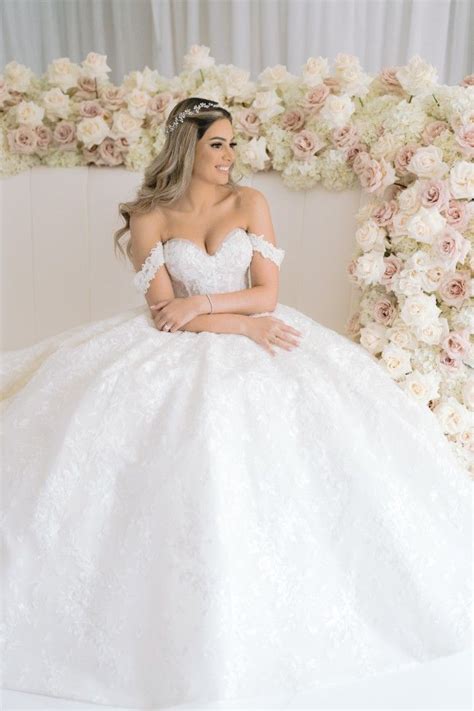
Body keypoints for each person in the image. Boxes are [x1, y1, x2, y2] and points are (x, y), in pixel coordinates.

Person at [1, 97, 471, 708]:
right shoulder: (150, 216)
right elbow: (163, 314)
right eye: (216, 144)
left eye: (231, 143)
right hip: (183, 342)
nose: (229, 156)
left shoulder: (251, 203)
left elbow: (267, 295)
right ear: (186, 149)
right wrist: (232, 324)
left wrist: (207, 306)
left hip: (251, 329)